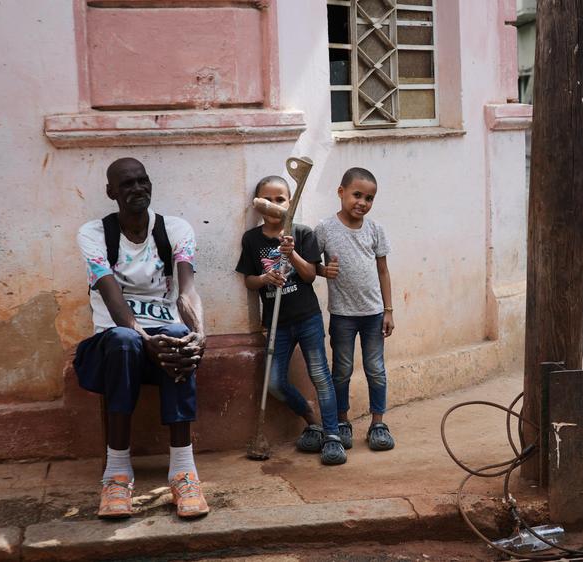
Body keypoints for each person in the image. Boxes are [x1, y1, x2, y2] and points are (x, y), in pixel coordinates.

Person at [73, 157, 209, 519]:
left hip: (161, 340)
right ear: (111, 192)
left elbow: (187, 292)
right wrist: (145, 337)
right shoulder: (94, 234)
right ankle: (117, 474)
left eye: (142, 181)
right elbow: (114, 302)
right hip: (115, 344)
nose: (137, 189)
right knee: (124, 340)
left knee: (180, 337)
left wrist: (199, 332)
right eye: (127, 184)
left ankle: (184, 471)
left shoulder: (175, 229)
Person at [235, 176, 346, 465]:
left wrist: (291, 251)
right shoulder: (251, 239)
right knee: (274, 383)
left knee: (320, 375)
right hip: (276, 323)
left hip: (307, 317)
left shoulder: (301, 232)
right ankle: (312, 421)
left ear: (290, 203)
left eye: (280, 199)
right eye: (267, 199)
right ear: (258, 204)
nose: (274, 205)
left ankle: (332, 437)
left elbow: (309, 275)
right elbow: (249, 281)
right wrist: (265, 278)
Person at [315, 167, 396, 452]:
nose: (362, 202)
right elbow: (312, 266)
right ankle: (342, 422)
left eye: (369, 198)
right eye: (357, 195)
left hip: (373, 314)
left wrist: (388, 310)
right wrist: (324, 270)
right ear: (341, 192)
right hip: (342, 315)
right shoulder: (325, 229)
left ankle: (378, 423)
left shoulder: (375, 230)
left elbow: (383, 270)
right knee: (342, 370)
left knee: (376, 369)